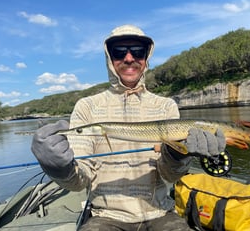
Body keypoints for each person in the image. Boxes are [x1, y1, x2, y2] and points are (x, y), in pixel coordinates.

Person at [31, 24, 226, 231]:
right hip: (105, 217)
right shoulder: (86, 106)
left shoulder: (165, 106)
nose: (129, 58)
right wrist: (60, 168)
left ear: (146, 56)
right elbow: (78, 182)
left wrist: (178, 156)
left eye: (138, 51)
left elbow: (170, 176)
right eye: (119, 52)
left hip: (160, 213)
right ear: (109, 57)